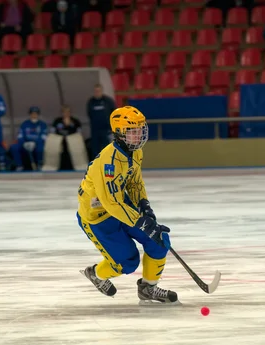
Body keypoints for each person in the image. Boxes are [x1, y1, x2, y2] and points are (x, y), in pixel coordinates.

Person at [77, 106, 177, 304]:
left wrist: (144, 206)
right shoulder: (108, 163)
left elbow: (135, 182)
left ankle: (148, 288)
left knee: (159, 240)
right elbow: (111, 203)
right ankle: (96, 274)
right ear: (120, 134)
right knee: (127, 263)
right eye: (132, 131)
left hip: (121, 208)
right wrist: (142, 223)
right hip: (98, 217)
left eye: (140, 129)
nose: (138, 135)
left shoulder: (135, 152)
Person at [11, 106, 48, 172]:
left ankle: (39, 165)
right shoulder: (25, 124)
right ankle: (19, 166)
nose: (34, 115)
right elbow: (20, 136)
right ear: (30, 114)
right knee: (14, 147)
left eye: (35, 113)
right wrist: (24, 143)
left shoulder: (42, 124)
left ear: (38, 114)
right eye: (32, 113)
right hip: (26, 144)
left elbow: (43, 137)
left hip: (37, 144)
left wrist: (35, 143)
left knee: (41, 147)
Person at [86, 83, 116, 160]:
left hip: (106, 130)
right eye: (95, 91)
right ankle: (95, 166)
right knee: (95, 149)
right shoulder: (91, 102)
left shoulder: (108, 101)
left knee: (107, 148)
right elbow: (89, 114)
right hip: (95, 130)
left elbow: (114, 113)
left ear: (102, 91)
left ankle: (107, 165)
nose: (97, 93)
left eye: (99, 91)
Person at [51, 105, 83, 170]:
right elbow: (52, 133)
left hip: (73, 144)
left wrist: (69, 125)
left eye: (67, 112)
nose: (66, 114)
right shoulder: (57, 121)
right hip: (60, 142)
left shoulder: (75, 121)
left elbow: (79, 133)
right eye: (64, 112)